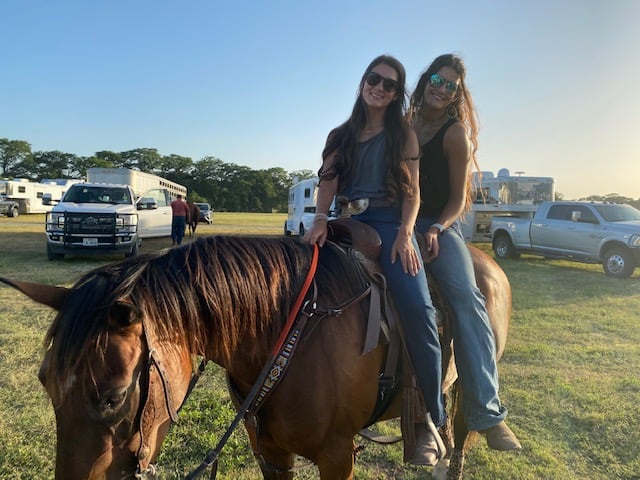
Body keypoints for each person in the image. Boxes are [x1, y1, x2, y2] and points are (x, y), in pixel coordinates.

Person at [303, 54, 446, 464]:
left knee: (418, 309)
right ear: (363, 82)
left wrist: (405, 234)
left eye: (389, 84)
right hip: (346, 219)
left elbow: (413, 193)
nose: (379, 88)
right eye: (374, 79)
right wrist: (318, 220)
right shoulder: (339, 135)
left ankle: (429, 419)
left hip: (387, 221)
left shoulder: (403, 136)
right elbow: (328, 181)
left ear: (397, 94)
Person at [409, 53, 521, 452]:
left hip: (440, 224)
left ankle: (488, 414)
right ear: (426, 80)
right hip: (397, 221)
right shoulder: (404, 126)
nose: (441, 88)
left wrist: (438, 228)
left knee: (466, 298)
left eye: (450, 85)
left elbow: (459, 199)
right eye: (437, 79)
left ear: (458, 93)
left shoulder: (455, 135)